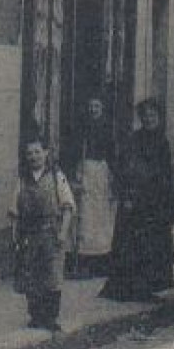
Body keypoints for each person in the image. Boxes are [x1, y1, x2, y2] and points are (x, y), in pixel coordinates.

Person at [101, 99, 174, 302]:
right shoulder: (133, 141)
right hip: (135, 201)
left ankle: (149, 288)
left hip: (156, 202)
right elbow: (124, 169)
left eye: (153, 116)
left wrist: (169, 202)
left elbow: (166, 173)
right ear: (141, 119)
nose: (149, 119)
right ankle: (130, 289)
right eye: (146, 116)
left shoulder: (163, 142)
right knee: (132, 245)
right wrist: (126, 195)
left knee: (153, 246)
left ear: (159, 118)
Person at [10, 137, 75, 332]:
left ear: (46, 153)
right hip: (29, 232)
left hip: (51, 231)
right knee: (32, 274)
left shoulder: (56, 176)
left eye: (37, 152)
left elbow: (68, 206)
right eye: (29, 153)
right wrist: (15, 234)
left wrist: (63, 233)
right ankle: (36, 315)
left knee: (52, 274)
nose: (34, 157)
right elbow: (14, 209)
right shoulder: (22, 179)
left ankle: (51, 317)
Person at [69, 96, 117, 277]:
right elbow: (75, 153)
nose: (93, 109)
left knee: (101, 218)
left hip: (101, 174)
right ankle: (83, 259)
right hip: (85, 170)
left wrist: (112, 177)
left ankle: (101, 260)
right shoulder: (81, 129)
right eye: (90, 106)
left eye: (96, 106)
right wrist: (77, 175)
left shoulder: (106, 129)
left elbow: (111, 153)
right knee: (85, 217)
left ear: (102, 109)